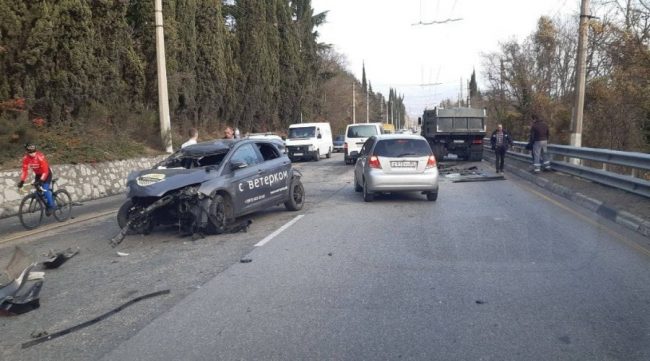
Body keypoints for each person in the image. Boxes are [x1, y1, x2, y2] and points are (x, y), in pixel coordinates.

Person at [18, 143, 56, 215]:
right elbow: (24, 170)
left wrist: (41, 180)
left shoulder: (40, 157)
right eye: (30, 152)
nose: (33, 153)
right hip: (38, 175)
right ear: (27, 151)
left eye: (34, 151)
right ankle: (48, 198)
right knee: (38, 189)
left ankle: (51, 206)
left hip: (46, 174)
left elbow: (45, 171)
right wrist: (22, 181)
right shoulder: (26, 158)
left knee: (44, 189)